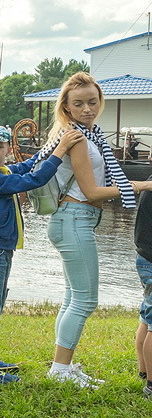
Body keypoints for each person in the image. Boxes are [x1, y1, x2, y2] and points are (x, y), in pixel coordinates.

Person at [41, 72, 152, 388]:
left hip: (74, 220)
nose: (87, 108)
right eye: (79, 103)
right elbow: (91, 191)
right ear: (66, 106)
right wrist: (143, 184)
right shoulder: (76, 138)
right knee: (85, 300)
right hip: (74, 219)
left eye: (93, 102)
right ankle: (60, 370)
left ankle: (63, 365)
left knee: (71, 297)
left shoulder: (90, 135)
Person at [0, 124, 81, 384]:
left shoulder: (1, 170)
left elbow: (27, 167)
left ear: (8, 150)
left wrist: (51, 146)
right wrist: (62, 150)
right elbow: (33, 179)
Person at [135, 187, 152, 399]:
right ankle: (150, 385)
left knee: (147, 317)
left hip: (144, 257)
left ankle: (144, 369)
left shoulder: (148, 182)